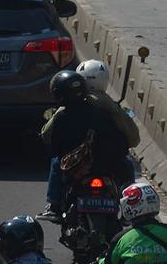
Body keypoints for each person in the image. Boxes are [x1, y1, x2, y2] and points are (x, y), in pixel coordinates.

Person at [37, 70, 134, 221]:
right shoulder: (109, 109)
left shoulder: (62, 115)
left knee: (56, 161)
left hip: (78, 167)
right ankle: (133, 205)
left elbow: (51, 141)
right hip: (109, 164)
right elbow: (129, 138)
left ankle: (54, 206)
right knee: (127, 164)